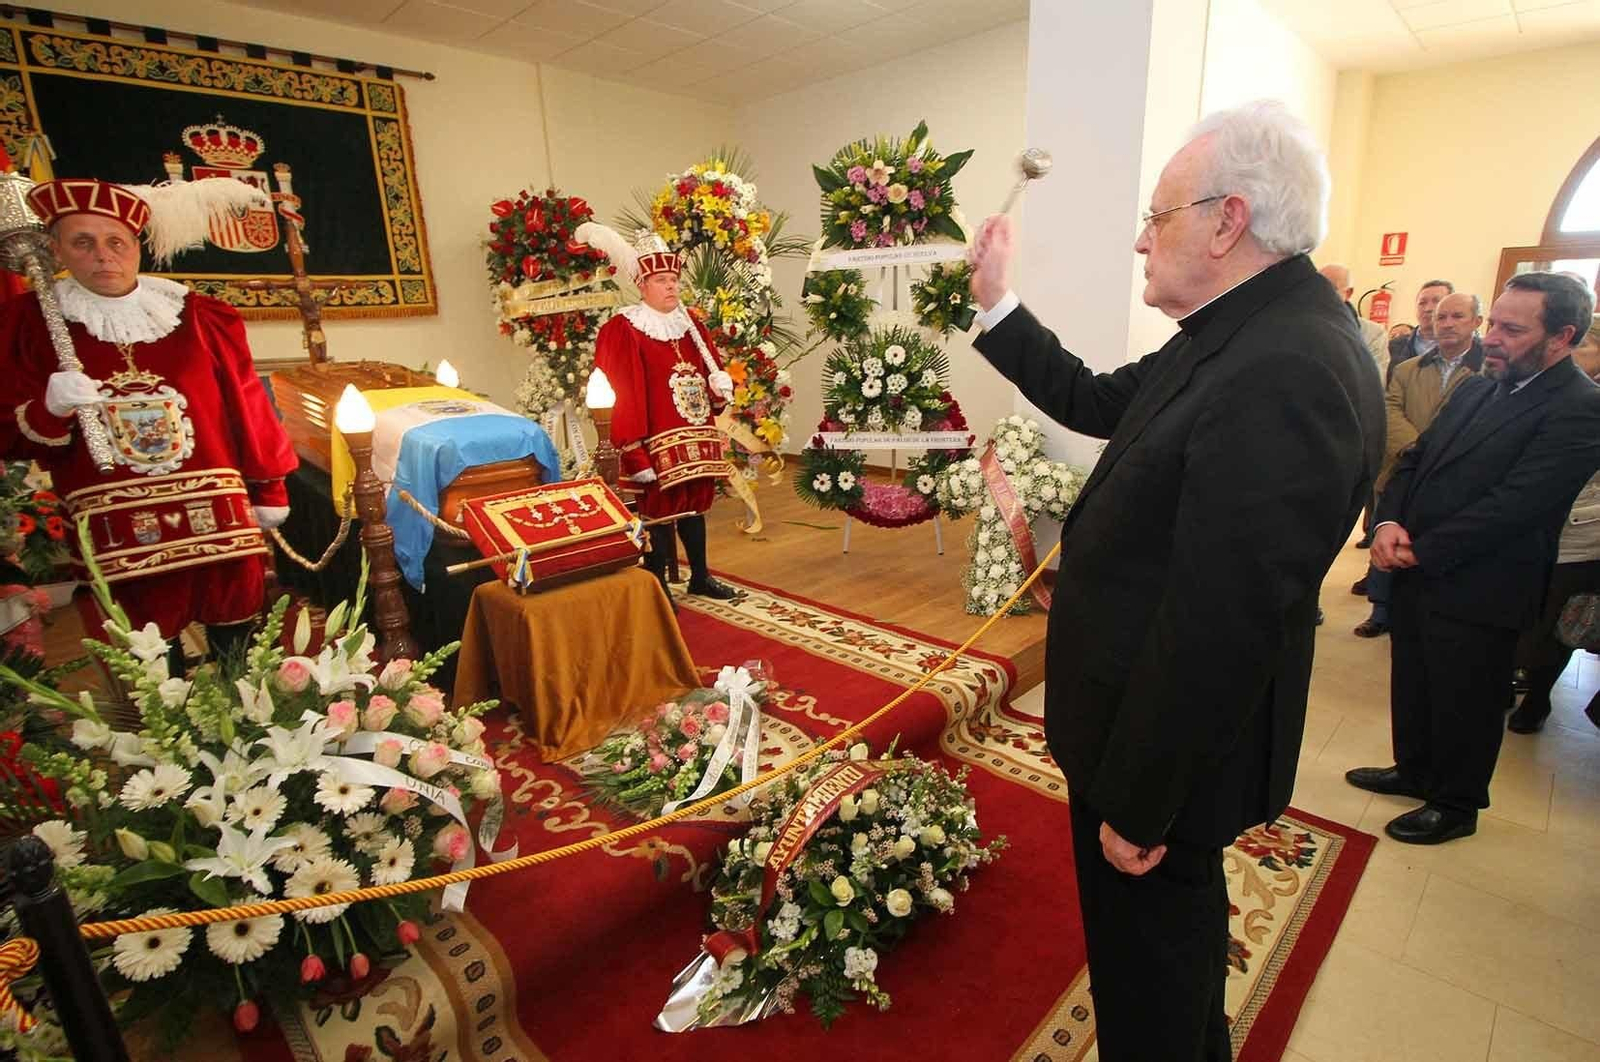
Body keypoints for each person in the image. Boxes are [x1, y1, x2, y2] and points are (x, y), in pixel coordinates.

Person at [966, 100, 1383, 1061]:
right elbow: (1096, 398)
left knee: (1147, 969)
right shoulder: (1238, 329)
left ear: (1227, 221)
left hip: (1162, 750)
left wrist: (1141, 799)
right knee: (1166, 953)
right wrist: (997, 302)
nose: (1139, 240)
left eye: (1157, 218)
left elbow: (1221, 620)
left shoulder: (1287, 364)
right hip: (1143, 727)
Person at [1347, 272, 1600, 844]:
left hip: (1484, 584)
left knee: (1468, 697)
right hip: (1418, 568)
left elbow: (1517, 505)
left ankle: (1456, 803)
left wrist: (1418, 550)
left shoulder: (1579, 407)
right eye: (1494, 324)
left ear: (1561, 337)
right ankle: (1415, 770)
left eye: (1512, 329)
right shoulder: (1478, 388)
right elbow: (1415, 457)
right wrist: (1387, 522)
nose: (1492, 338)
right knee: (1414, 680)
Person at [0, 176, 296, 662]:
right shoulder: (31, 324)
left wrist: (269, 489)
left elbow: (247, 406)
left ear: (137, 245)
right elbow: (11, 434)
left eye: (115, 241)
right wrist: (48, 410)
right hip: (118, 527)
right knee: (153, 665)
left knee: (241, 653)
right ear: (57, 250)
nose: (103, 255)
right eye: (83, 242)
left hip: (217, 517)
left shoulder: (200, 315)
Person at [579, 222, 737, 601]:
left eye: (674, 280)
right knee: (660, 513)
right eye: (662, 279)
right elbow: (623, 392)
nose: (672, 287)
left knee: (695, 507)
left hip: (695, 437)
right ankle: (658, 585)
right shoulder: (624, 329)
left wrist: (720, 391)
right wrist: (633, 450)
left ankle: (699, 576)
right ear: (643, 284)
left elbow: (708, 374)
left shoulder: (690, 324)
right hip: (653, 442)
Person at [1353, 291, 1485, 635]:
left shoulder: (1486, 372)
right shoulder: (1409, 369)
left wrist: (1440, 456)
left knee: (1428, 544)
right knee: (1388, 537)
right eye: (1441, 317)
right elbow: (1390, 408)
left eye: (1457, 316)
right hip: (1403, 467)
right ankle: (1380, 611)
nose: (1447, 324)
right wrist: (1416, 449)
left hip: (1454, 474)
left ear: (1476, 322)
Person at [1508, 315, 1600, 733]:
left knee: (1556, 624)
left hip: (1581, 537)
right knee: (1521, 615)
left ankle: (1538, 696)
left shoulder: (1589, 402)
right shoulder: (1534, 391)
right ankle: (1512, 677)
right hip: (1531, 528)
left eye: (1583, 348)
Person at [1320, 263, 1389, 378]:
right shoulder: (1303, 326)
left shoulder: (1373, 334)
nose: (1321, 294)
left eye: (1330, 288)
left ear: (1348, 293)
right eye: (1317, 287)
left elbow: (1374, 382)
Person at [1387, 279, 1453, 382]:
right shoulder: (1394, 346)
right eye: (1422, 303)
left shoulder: (1464, 347)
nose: (1428, 308)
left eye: (1437, 302)